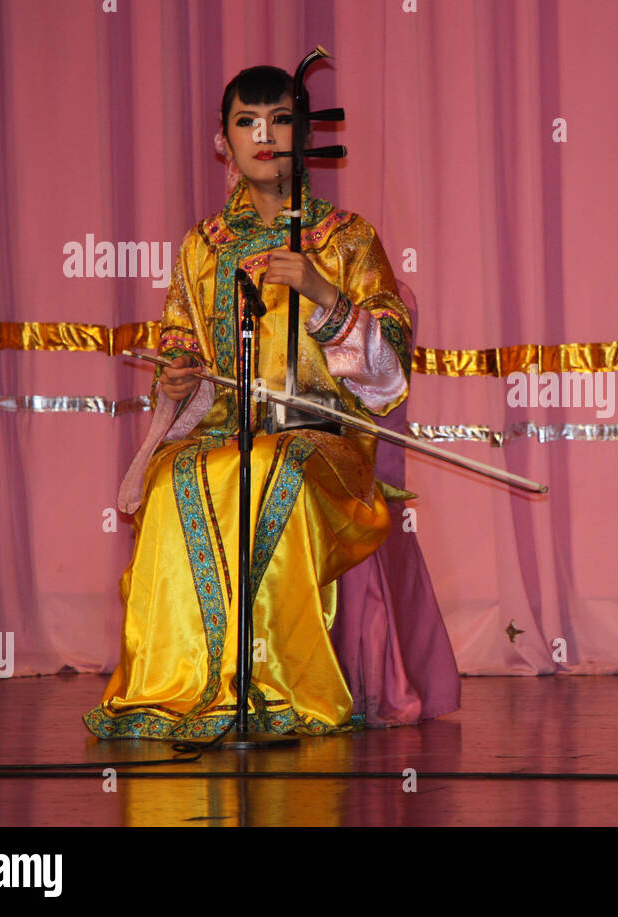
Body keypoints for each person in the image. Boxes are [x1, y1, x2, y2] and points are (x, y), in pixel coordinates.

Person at [85, 65, 411, 739]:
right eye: (247, 122)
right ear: (222, 143)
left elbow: (389, 376)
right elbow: (183, 353)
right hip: (222, 435)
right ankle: (177, 687)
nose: (264, 135)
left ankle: (282, 687)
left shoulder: (347, 238)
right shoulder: (203, 247)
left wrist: (325, 296)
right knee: (176, 474)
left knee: (274, 465)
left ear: (307, 135)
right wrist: (178, 381)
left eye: (281, 120)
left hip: (322, 443)